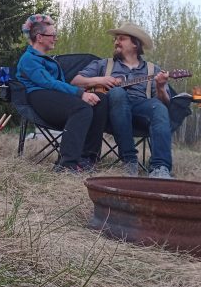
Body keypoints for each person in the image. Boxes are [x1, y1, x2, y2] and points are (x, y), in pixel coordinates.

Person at [71, 22, 173, 179]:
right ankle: (129, 160)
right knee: (117, 93)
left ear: (135, 44)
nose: (116, 42)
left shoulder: (153, 70)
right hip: (109, 112)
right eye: (115, 39)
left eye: (122, 38)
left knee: (159, 108)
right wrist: (101, 80)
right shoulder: (104, 64)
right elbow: (75, 81)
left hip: (140, 108)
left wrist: (160, 87)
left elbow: (165, 102)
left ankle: (160, 168)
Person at [16, 14, 109, 172]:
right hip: (40, 97)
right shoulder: (29, 59)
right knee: (81, 108)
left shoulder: (46, 59)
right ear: (39, 37)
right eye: (53, 35)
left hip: (54, 96)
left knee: (100, 100)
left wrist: (86, 92)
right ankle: (66, 163)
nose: (56, 38)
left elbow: (57, 85)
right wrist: (80, 94)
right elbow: (48, 83)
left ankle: (87, 158)